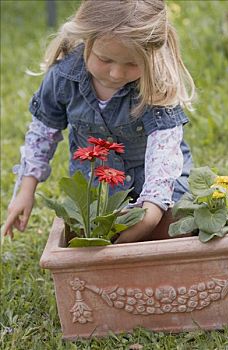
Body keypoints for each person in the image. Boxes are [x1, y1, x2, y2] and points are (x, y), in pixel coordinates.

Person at [3, 0, 195, 243]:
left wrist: (150, 215)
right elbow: (42, 134)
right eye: (105, 60)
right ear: (87, 40)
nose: (116, 73)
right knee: (90, 233)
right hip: (98, 190)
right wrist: (26, 191)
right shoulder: (63, 78)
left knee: (177, 228)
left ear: (151, 55)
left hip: (158, 187)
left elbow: (164, 158)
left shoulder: (156, 84)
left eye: (132, 64)